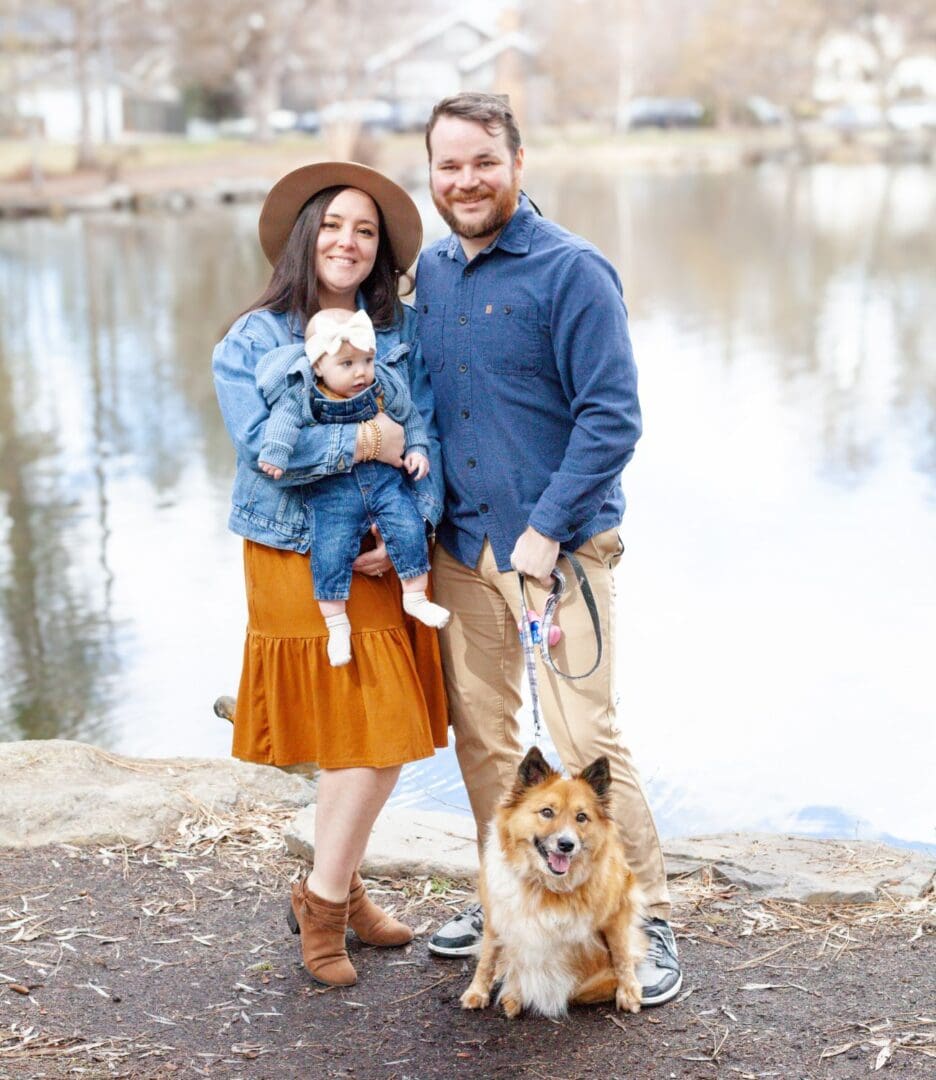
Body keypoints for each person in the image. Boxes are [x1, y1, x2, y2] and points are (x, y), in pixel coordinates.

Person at [416, 93, 683, 1006]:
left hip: (559, 552)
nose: (466, 180)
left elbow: (613, 417)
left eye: (482, 161)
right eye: (449, 165)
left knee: (583, 739)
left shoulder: (573, 272)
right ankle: (507, 906)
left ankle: (640, 916)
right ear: (433, 175)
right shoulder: (434, 273)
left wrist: (547, 527)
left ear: (517, 163)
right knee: (489, 744)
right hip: (460, 550)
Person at [212, 161, 448, 987]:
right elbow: (269, 456)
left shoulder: (402, 335)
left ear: (379, 250)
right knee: (367, 730)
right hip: (291, 553)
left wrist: (411, 521)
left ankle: (332, 892)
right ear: (307, 237)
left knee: (378, 730)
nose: (349, 241)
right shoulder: (253, 341)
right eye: (336, 225)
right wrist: (364, 444)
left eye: (367, 229)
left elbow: (429, 440)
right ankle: (327, 902)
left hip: (382, 551)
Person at [255, 306, 450, 666]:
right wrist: (277, 452)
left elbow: (411, 418)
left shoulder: (383, 385)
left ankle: (415, 597)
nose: (361, 372)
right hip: (333, 492)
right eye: (347, 364)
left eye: (367, 360)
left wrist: (418, 449)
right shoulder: (304, 391)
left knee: (409, 528)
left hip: (385, 483)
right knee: (330, 550)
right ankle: (336, 623)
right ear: (318, 367)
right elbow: (282, 422)